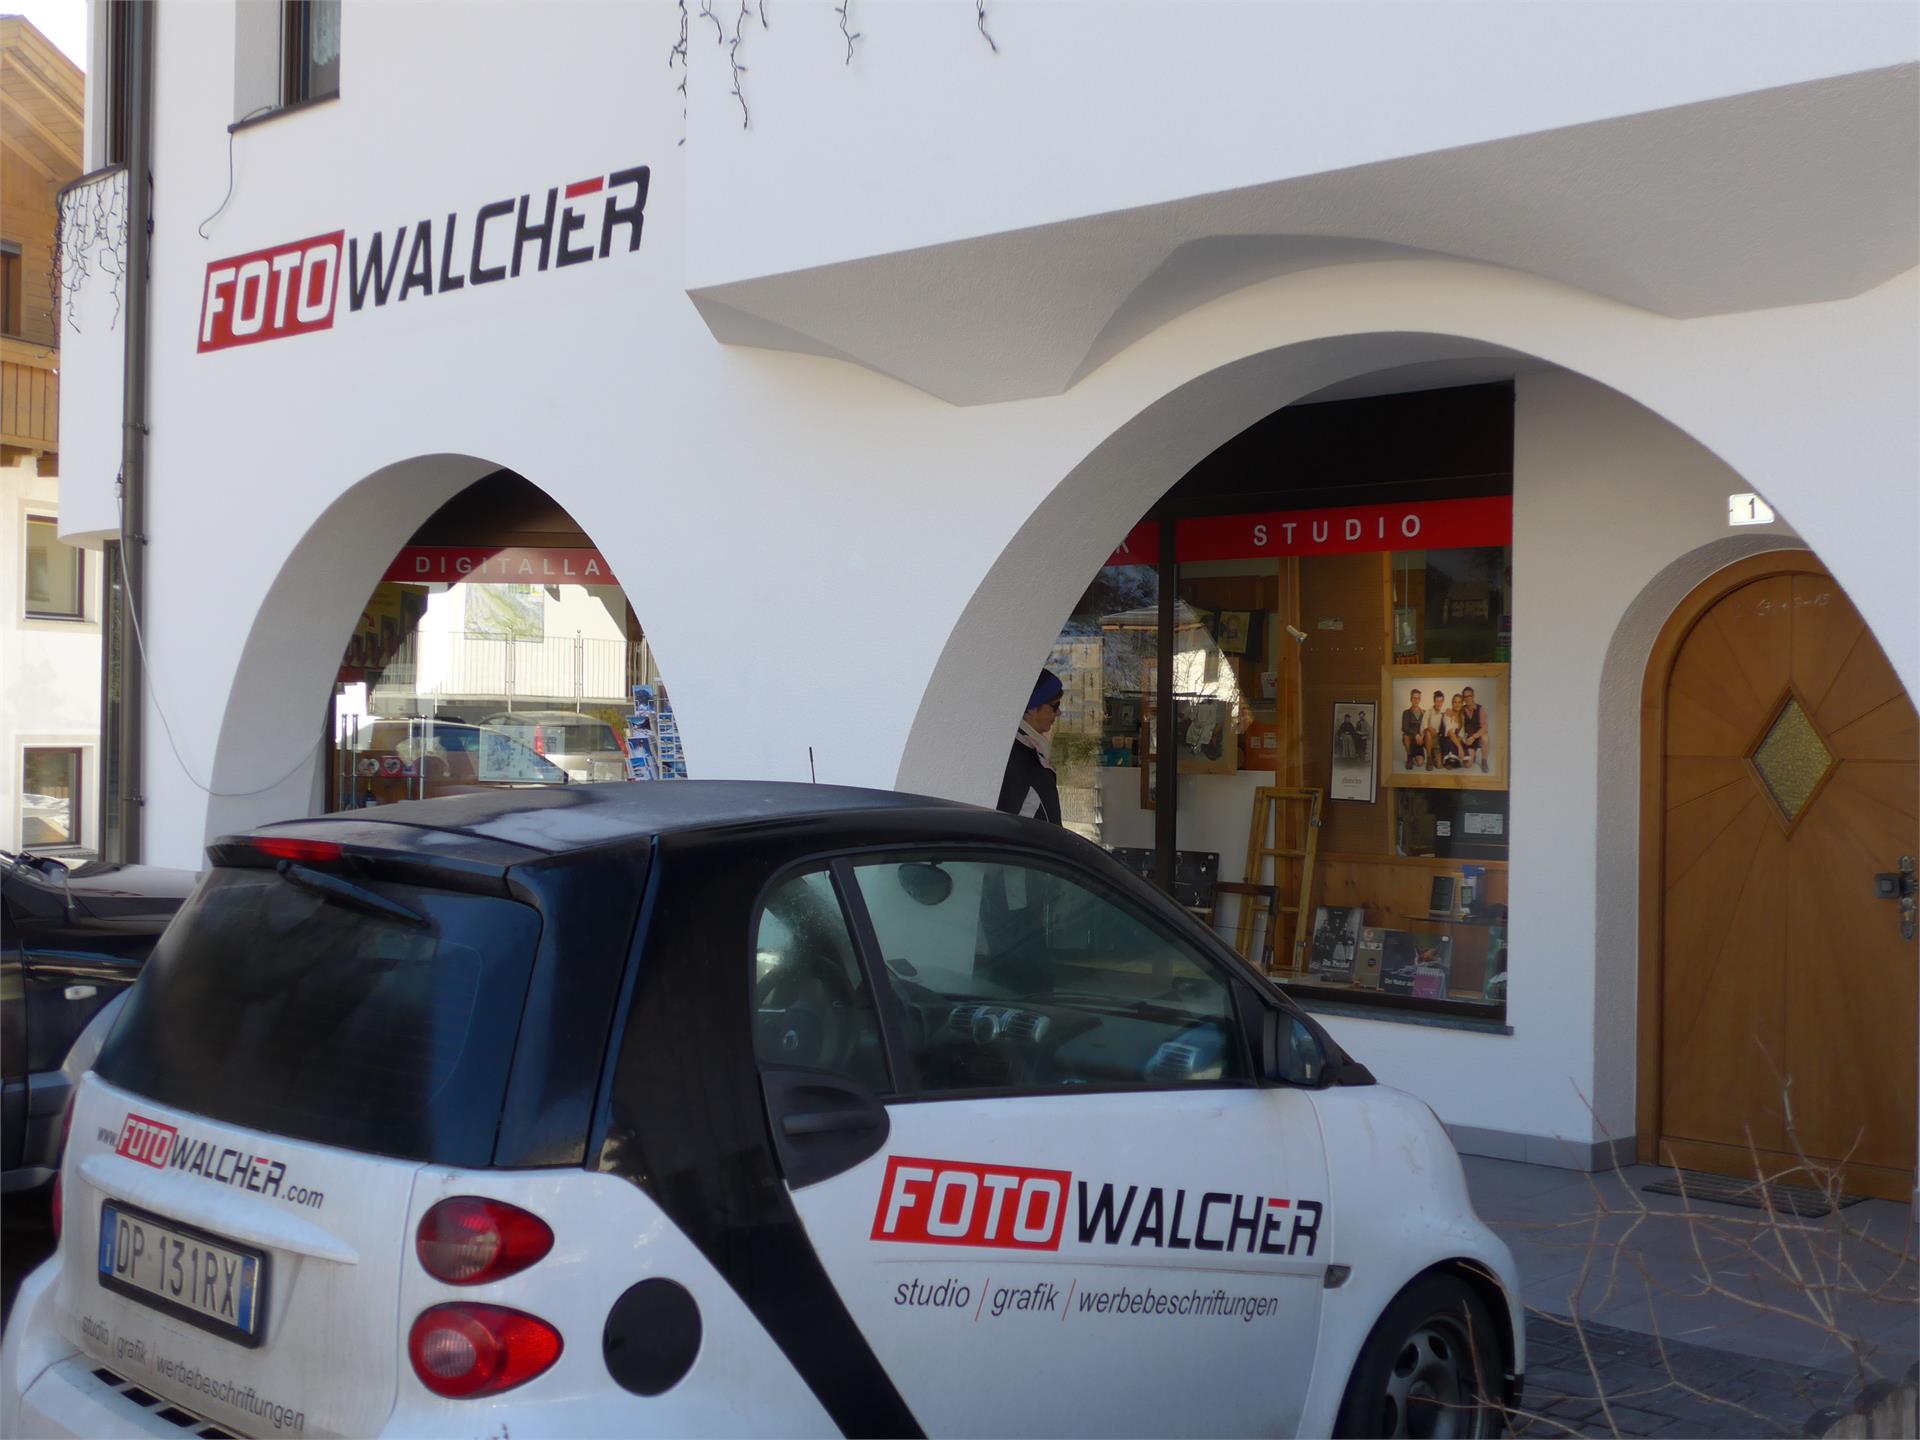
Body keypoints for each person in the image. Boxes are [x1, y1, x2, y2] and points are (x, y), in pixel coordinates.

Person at [998, 668, 1064, 823]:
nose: (1059, 713)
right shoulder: (1021, 759)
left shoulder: (1021, 751)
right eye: (1055, 705)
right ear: (1032, 708)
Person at [1400, 688, 1427, 768]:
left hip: (1420, 741)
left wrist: (1422, 736)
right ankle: (1409, 757)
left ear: (1420, 700)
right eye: (1414, 698)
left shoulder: (1424, 712)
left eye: (1418, 698)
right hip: (1410, 738)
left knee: (1420, 763)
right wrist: (1415, 735)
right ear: (1411, 699)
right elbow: (1404, 727)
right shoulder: (1406, 712)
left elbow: (1426, 727)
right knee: (1405, 735)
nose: (1416, 700)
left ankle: (1417, 756)